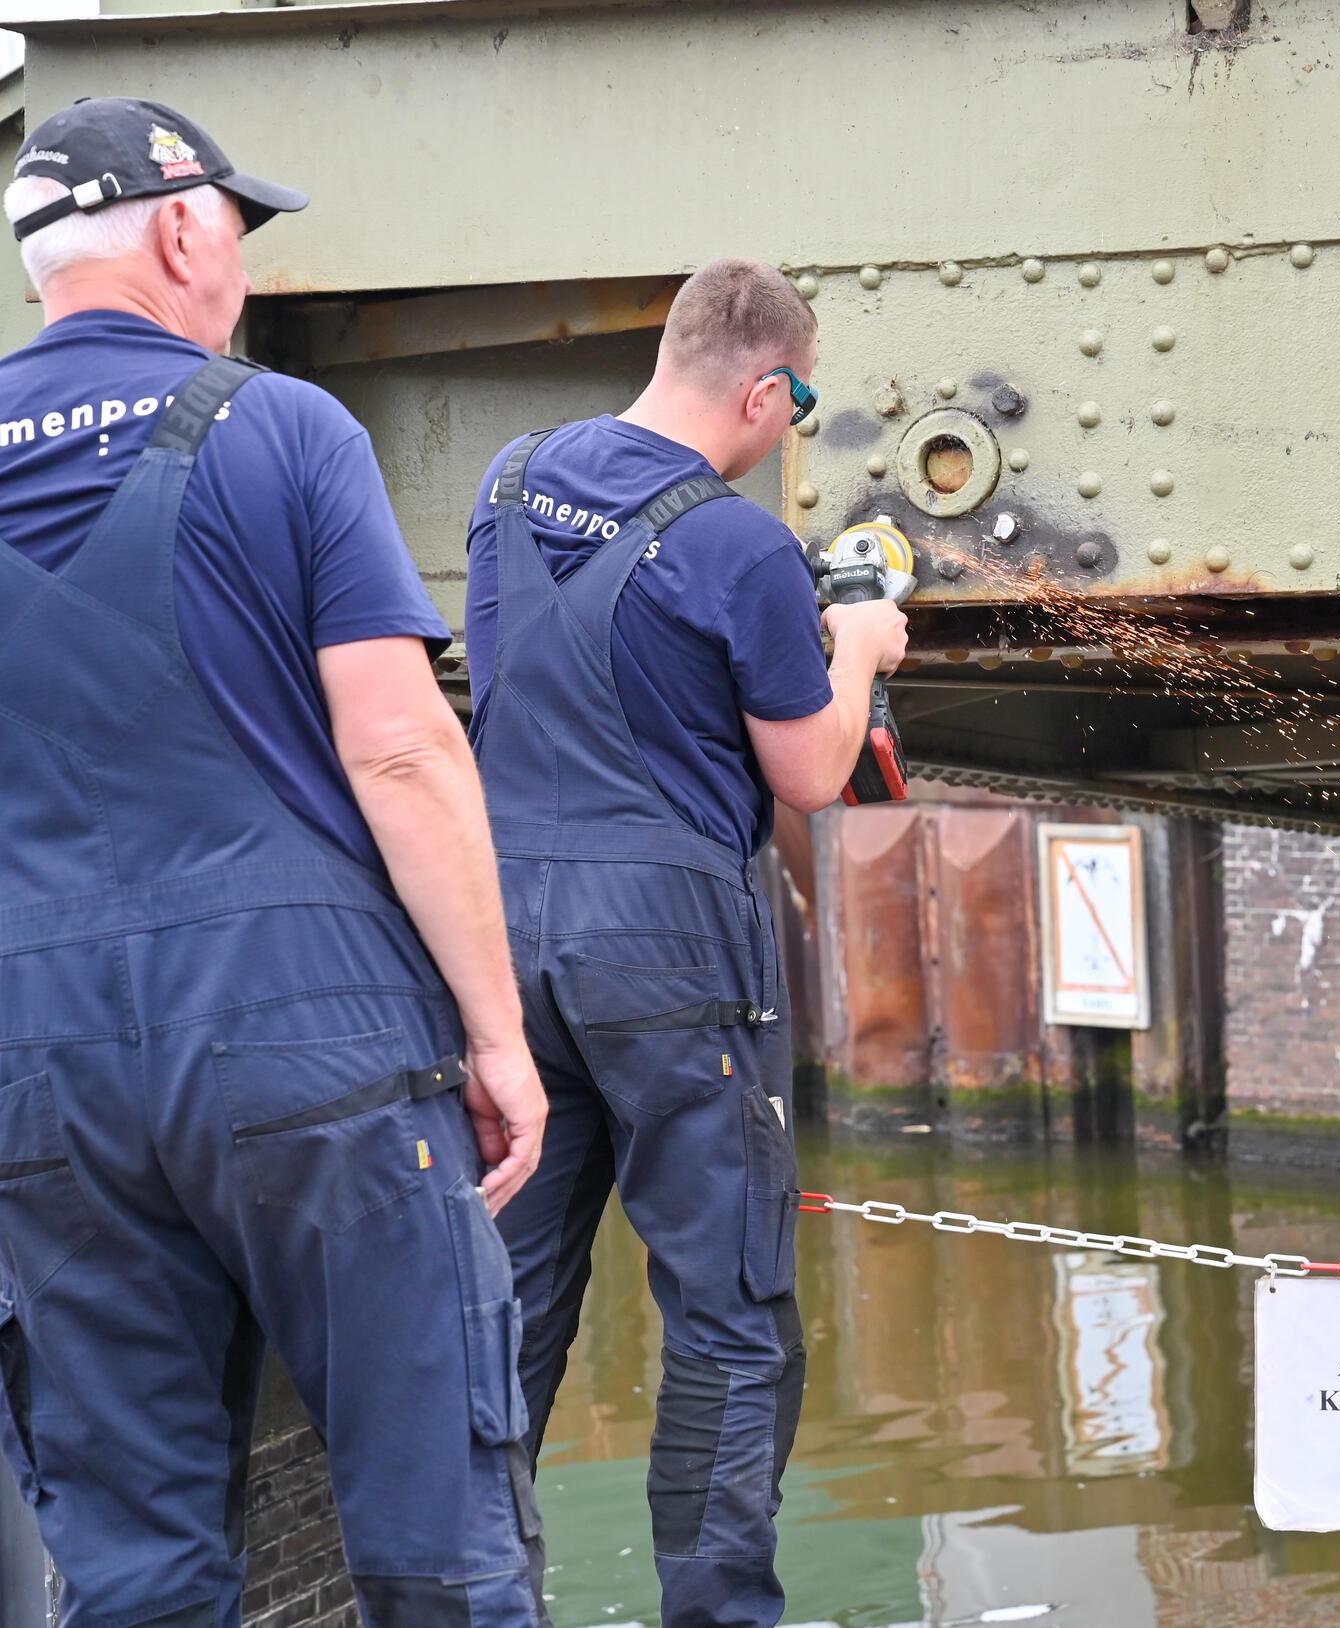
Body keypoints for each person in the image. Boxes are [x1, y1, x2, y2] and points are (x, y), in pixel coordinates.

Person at [0, 98, 550, 1625]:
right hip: (310, 1036)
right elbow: (398, 749)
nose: (238, 267)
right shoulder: (283, 427)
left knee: (134, 1570)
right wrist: (497, 1031)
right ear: (181, 228)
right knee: (440, 1536)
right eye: (238, 232)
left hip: (38, 1070)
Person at [464, 257, 908, 1624]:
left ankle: (473, 1599)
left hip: (501, 940)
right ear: (767, 390)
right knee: (725, 1314)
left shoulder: (508, 481)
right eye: (806, 396)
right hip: (669, 958)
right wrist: (861, 649)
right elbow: (814, 774)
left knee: (508, 1305)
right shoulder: (738, 545)